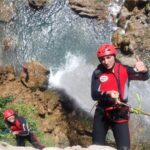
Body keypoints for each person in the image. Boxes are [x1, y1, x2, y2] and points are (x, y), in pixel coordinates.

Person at [91, 43, 149, 150]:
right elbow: (94, 95)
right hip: (102, 113)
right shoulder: (97, 73)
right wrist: (107, 93)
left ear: (114, 55)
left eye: (108, 57)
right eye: (102, 59)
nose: (106, 62)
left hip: (120, 112)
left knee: (124, 148)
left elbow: (144, 77)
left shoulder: (125, 70)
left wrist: (145, 71)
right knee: (96, 147)